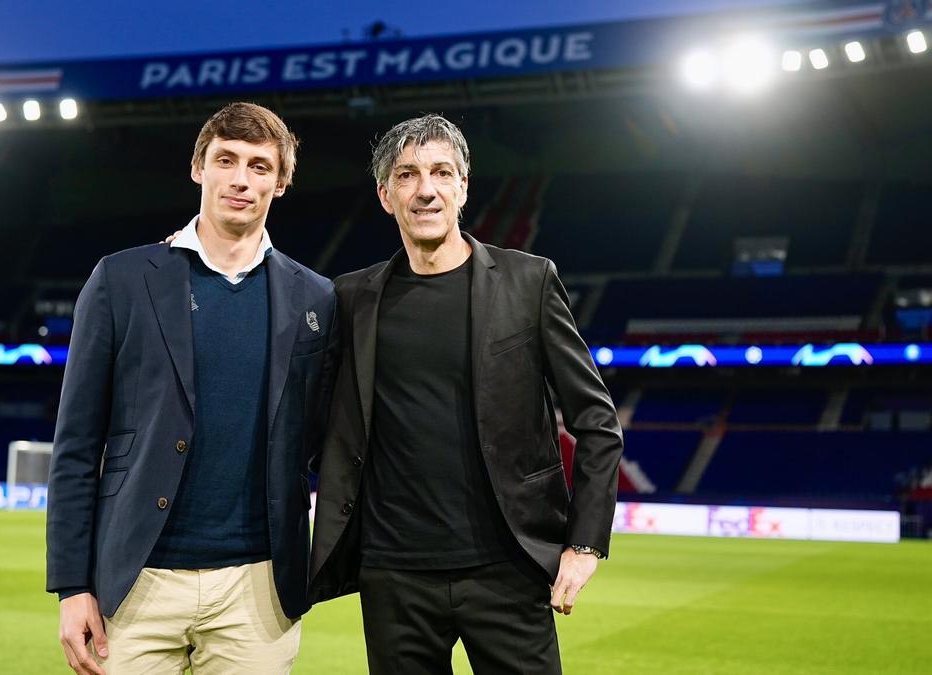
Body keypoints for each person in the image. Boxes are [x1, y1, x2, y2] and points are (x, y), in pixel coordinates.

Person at [308, 114, 623, 673]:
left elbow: (596, 421)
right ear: (385, 195)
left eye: (440, 173)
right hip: (393, 574)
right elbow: (316, 423)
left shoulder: (529, 281)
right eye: (407, 175)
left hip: (508, 567)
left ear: (463, 188)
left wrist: (585, 543)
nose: (425, 189)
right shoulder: (349, 298)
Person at [46, 102, 336, 675]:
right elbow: (76, 445)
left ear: (280, 184)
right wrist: (73, 586)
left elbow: (326, 439)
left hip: (259, 587)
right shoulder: (121, 280)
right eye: (225, 159)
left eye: (259, 166)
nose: (240, 179)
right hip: (137, 583)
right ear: (198, 169)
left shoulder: (317, 298)